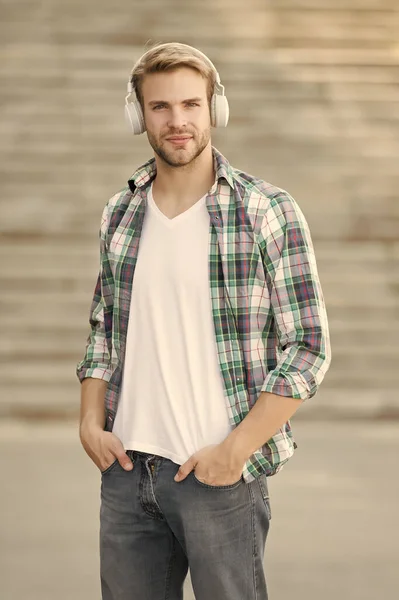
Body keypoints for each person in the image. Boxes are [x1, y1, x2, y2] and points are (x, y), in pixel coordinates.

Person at [76, 42, 331, 600]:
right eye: (160, 107)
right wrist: (90, 421)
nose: (177, 121)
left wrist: (236, 451)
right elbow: (103, 326)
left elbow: (308, 347)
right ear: (137, 114)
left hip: (218, 476)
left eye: (191, 104)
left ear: (215, 108)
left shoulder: (265, 211)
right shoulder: (120, 213)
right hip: (126, 474)